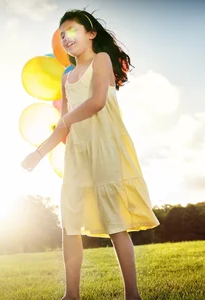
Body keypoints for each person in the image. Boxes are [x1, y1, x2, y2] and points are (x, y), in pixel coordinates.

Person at [21, 9, 160, 300]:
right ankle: (71, 295)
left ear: (91, 34)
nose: (65, 39)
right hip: (78, 155)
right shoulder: (66, 76)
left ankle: (132, 295)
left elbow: (97, 102)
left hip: (106, 149)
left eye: (71, 31)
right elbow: (62, 125)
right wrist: (39, 152)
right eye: (61, 36)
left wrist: (68, 118)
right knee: (69, 223)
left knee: (116, 224)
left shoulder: (102, 60)